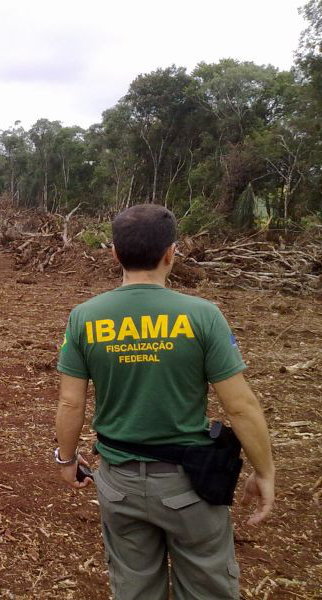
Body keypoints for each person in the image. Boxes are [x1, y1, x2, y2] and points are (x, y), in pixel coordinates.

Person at [54, 204, 275, 600]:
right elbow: (241, 406)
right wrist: (264, 472)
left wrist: (67, 459)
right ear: (171, 253)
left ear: (115, 254)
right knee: (208, 587)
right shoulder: (202, 315)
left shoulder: (84, 317)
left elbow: (72, 404)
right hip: (190, 484)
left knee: (135, 588)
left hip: (118, 483)